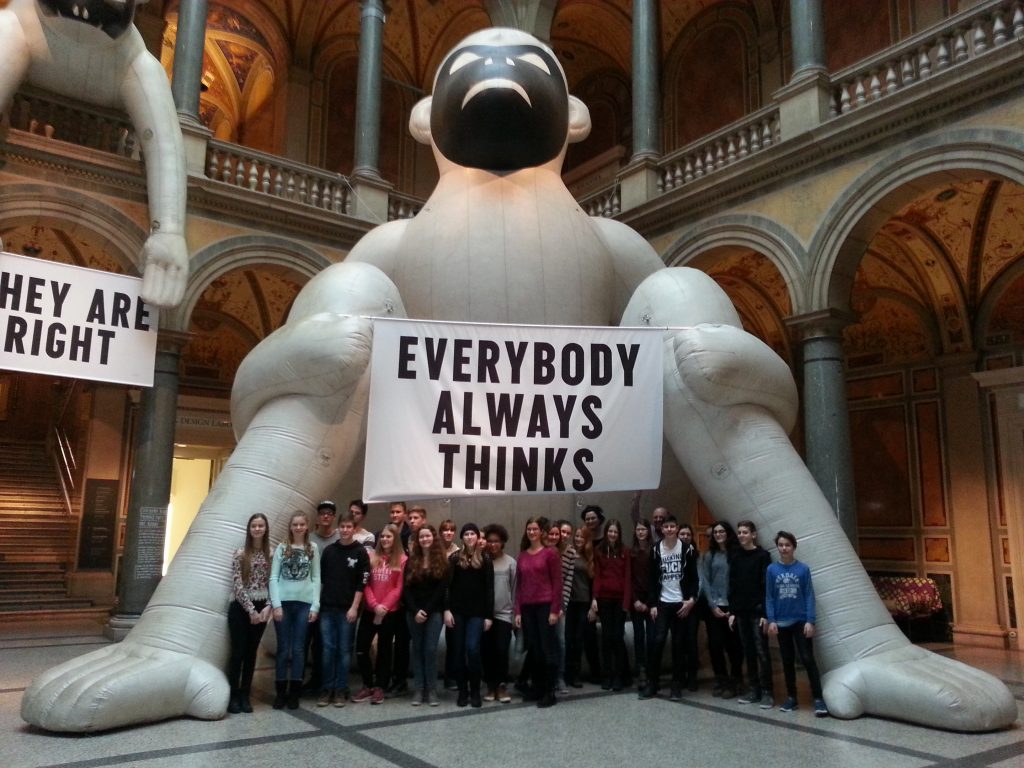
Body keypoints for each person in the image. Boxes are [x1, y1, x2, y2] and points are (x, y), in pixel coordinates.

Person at [766, 531, 828, 717]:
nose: (784, 548)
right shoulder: (771, 570)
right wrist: (772, 620)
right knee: (787, 660)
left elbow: (809, 595)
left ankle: (818, 698)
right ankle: (792, 697)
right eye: (781, 545)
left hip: (800, 621)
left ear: (794, 547)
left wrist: (810, 620)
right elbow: (769, 597)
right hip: (781, 622)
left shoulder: (803, 569)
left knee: (807, 658)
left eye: (787, 545)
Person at [640, 514, 698, 702]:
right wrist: (653, 604)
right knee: (658, 641)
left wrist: (691, 600)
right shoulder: (655, 550)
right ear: (662, 529)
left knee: (678, 645)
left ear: (677, 528)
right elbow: (651, 579)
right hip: (663, 603)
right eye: (666, 527)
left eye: (672, 526)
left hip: (681, 603)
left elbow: (694, 577)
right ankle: (652, 682)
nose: (669, 529)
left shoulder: (688, 550)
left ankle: (676, 685)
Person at [269, 511, 321, 710]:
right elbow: (273, 578)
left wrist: (315, 605)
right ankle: (280, 691)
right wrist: (276, 604)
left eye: (301, 524)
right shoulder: (282, 548)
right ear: (290, 527)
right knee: (283, 648)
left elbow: (316, 578)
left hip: (304, 604)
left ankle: (294, 692)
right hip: (283, 603)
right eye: (295, 524)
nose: (298, 527)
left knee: (299, 649)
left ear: (307, 526)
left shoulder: (312, 548)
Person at [318, 515, 370, 707]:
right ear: (338, 528)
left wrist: (354, 607)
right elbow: (321, 579)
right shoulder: (329, 551)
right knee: (328, 649)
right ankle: (327, 688)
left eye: (349, 526)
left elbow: (362, 583)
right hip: (327, 608)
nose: (345, 530)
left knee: (344, 650)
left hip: (347, 609)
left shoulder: (360, 552)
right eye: (342, 526)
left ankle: (341, 688)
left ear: (354, 529)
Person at [353, 524, 407, 705]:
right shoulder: (371, 557)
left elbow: (399, 588)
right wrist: (375, 605)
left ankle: (380, 687)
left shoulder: (403, 560)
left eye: (388, 536)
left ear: (395, 539)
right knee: (361, 648)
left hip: (390, 613)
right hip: (370, 610)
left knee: (385, 650)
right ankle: (367, 684)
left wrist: (384, 606)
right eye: (382, 536)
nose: (384, 539)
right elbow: (365, 584)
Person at [226, 513, 272, 714]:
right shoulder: (240, 553)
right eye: (254, 526)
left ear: (266, 528)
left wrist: (268, 606)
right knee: (238, 652)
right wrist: (251, 610)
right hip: (241, 608)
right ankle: (233, 695)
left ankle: (245, 694)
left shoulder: (271, 554)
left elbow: (274, 582)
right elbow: (237, 584)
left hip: (262, 607)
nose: (257, 529)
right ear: (249, 529)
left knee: (251, 652)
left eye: (261, 525)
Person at [514, 516, 562, 708]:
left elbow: (557, 583)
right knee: (534, 649)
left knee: (547, 648)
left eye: (535, 529)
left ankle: (550, 691)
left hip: (545, 606)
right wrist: (517, 611)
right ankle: (537, 687)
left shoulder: (551, 553)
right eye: (529, 529)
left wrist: (555, 610)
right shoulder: (522, 556)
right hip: (527, 608)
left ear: (541, 532)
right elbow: (519, 586)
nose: (532, 532)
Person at [445, 523, 494, 708]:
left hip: (477, 613)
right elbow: (447, 586)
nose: (470, 536)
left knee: (472, 649)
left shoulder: (485, 559)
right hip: (457, 612)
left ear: (478, 537)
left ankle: (475, 690)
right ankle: (462, 691)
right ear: (462, 537)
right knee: (458, 651)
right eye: (466, 534)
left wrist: (489, 616)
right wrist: (446, 610)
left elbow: (489, 589)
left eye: (473, 533)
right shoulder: (454, 558)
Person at [729, 519, 774, 709]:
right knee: (748, 651)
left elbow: (766, 586)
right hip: (741, 611)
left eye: (745, 532)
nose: (741, 535)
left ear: (753, 535)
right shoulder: (736, 556)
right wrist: (732, 611)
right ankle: (754, 689)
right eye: (739, 532)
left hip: (757, 611)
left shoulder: (763, 556)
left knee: (761, 651)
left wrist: (765, 613)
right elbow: (732, 584)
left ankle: (767, 691)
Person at [404, 524, 449, 706]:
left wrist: (427, 611)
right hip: (413, 613)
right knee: (417, 649)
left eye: (428, 536)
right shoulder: (411, 561)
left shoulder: (442, 561)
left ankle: (431, 689)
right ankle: (419, 688)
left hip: (434, 612)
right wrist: (415, 611)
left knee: (430, 650)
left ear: (433, 538)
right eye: (421, 537)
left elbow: (441, 590)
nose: (425, 539)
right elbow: (406, 590)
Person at [699, 521, 744, 698]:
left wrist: (734, 607)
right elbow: (705, 581)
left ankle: (736, 679)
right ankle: (721, 679)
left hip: (733, 607)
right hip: (714, 608)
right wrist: (712, 605)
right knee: (715, 645)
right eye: (715, 532)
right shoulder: (709, 555)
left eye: (721, 531)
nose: (718, 534)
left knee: (734, 646)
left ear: (728, 533)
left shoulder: (737, 554)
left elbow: (740, 581)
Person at [591, 519, 632, 691]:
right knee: (607, 638)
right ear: (606, 532)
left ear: (619, 534)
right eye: (610, 531)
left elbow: (628, 577)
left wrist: (626, 603)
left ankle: (619, 676)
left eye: (615, 532)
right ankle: (607, 675)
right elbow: (597, 575)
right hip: (604, 600)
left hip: (619, 600)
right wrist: (594, 597)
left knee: (617, 637)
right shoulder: (599, 551)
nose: (612, 534)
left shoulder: (625, 551)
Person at [304, 500, 339, 694]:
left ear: (333, 517)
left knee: (325, 641)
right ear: (318, 517)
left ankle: (326, 680)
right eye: (322, 513)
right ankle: (307, 679)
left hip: (330, 599)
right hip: (308, 597)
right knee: (307, 640)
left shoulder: (340, 538)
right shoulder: (308, 539)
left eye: (329, 513)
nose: (326, 516)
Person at [481, 523, 516, 703]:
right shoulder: (481, 561)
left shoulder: (510, 563)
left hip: (504, 614)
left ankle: (501, 685)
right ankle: (490, 685)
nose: (493, 544)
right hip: (484, 615)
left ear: (502, 542)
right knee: (487, 651)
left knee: (502, 650)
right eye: (490, 541)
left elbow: (515, 588)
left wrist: (516, 613)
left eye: (496, 541)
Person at [386, 501, 412, 695]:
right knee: (386, 641)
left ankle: (400, 680)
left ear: (405, 514)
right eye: (392, 512)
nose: (395, 515)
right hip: (387, 599)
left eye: (398, 512)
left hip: (406, 600)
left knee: (402, 642)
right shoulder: (384, 534)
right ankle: (384, 679)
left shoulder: (412, 535)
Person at [630, 518, 654, 691]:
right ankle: (641, 670)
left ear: (648, 531)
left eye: (643, 529)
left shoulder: (655, 551)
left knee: (652, 637)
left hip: (651, 602)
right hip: (636, 601)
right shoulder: (631, 552)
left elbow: (657, 578)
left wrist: (649, 602)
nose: (640, 532)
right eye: (638, 529)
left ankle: (652, 669)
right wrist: (635, 600)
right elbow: (628, 578)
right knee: (638, 636)